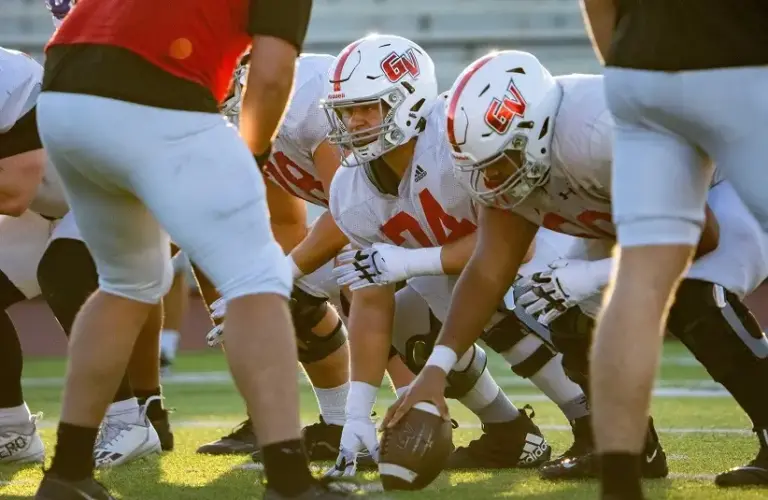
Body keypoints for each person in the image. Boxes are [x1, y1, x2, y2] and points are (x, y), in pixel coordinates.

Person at [383, 50, 768, 491]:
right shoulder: (505, 160)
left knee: (695, 294)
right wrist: (436, 369)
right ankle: (624, 447)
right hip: (638, 212)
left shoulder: (604, 132)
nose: (490, 180)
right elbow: (488, 269)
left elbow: (696, 236)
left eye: (499, 162)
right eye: (481, 167)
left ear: (535, 132)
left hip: (733, 183)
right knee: (563, 308)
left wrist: (586, 277)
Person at [32, 0, 347, 499]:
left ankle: (67, 473)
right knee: (260, 282)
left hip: (64, 94)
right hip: (154, 90)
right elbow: (270, 76)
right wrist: (250, 158)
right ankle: (289, 480)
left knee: (124, 283)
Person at [323, 34, 593, 474]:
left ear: (409, 100)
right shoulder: (350, 192)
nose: (353, 123)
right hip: (470, 272)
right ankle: (509, 433)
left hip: (548, 254)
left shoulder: (455, 139)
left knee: (499, 295)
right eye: (345, 112)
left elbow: (515, 247)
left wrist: (408, 263)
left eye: (366, 108)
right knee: (408, 317)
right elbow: (370, 300)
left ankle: (589, 417)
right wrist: (356, 413)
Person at [580, 1, 768, 497]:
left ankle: (620, 484)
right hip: (742, 58)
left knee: (639, 278)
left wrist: (628, 67)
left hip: (641, 70)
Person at [196, 53, 413, 462]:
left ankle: (415, 414)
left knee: (358, 271)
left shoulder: (305, 98)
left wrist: (276, 278)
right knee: (284, 297)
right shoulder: (232, 121)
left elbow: (351, 214)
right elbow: (285, 222)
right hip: (376, 227)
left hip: (410, 227)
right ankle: (337, 424)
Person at [0, 43, 171, 467]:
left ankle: (128, 421)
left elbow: (13, 193)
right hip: (55, 202)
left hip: (125, 184)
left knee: (65, 271)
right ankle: (11, 429)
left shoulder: (8, 78)